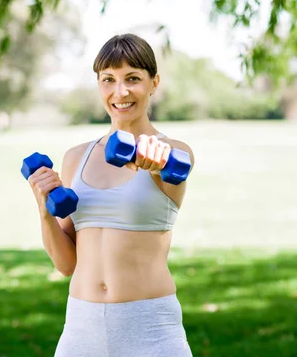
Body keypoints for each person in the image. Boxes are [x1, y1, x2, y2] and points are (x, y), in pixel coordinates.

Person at [27, 33, 195, 357]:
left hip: (150, 330)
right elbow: (65, 264)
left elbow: (171, 171)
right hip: (81, 329)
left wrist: (155, 164)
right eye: (109, 80)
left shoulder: (171, 152)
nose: (121, 92)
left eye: (133, 78)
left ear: (153, 83)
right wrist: (44, 209)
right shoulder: (77, 157)